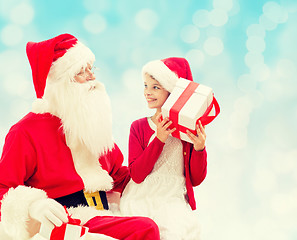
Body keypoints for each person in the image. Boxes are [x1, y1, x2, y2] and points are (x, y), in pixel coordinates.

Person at [0, 33, 160, 240]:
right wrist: (33, 205)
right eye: (80, 72)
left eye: (90, 69)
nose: (92, 77)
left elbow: (119, 175)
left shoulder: (92, 123)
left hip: (104, 213)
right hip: (68, 220)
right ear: (59, 82)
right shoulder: (25, 131)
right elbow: (3, 187)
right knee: (144, 229)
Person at [120, 57, 207, 240]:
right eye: (145, 86)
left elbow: (196, 179)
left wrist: (199, 149)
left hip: (173, 198)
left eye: (155, 87)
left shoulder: (188, 133)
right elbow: (136, 174)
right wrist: (159, 139)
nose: (147, 92)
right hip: (142, 196)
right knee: (152, 230)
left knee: (183, 230)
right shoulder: (139, 127)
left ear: (173, 92)